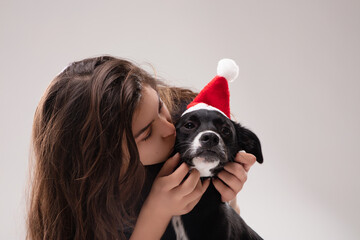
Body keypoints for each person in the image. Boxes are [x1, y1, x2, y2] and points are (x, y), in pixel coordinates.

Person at [27, 56, 257, 240]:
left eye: (160, 106)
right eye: (147, 134)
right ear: (105, 162)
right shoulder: (84, 210)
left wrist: (226, 193)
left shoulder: (190, 118)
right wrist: (156, 212)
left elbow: (226, 224)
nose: (169, 128)